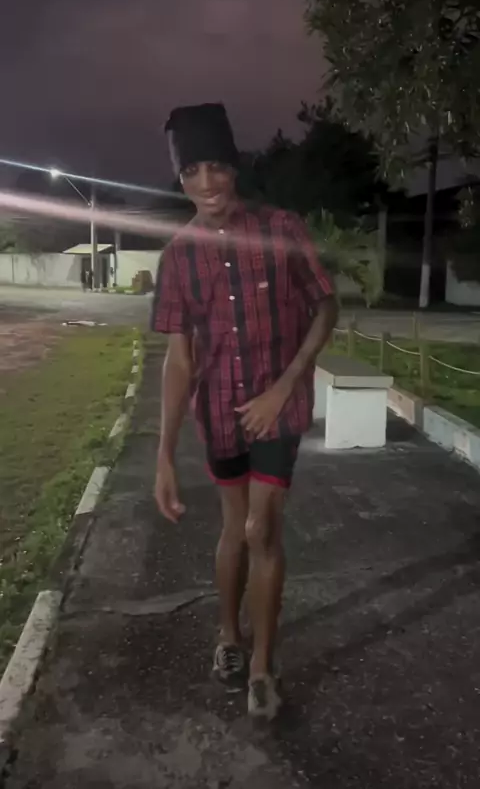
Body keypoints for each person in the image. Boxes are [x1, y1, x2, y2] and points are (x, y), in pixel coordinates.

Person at [152, 103, 338, 721]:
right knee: (234, 528)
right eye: (192, 172)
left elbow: (325, 307)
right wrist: (164, 456)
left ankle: (262, 665)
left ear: (235, 167)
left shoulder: (281, 228)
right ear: (182, 179)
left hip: (279, 409)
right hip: (219, 414)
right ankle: (228, 636)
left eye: (217, 166)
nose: (207, 182)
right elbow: (179, 359)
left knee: (263, 529)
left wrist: (286, 385)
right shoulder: (178, 257)